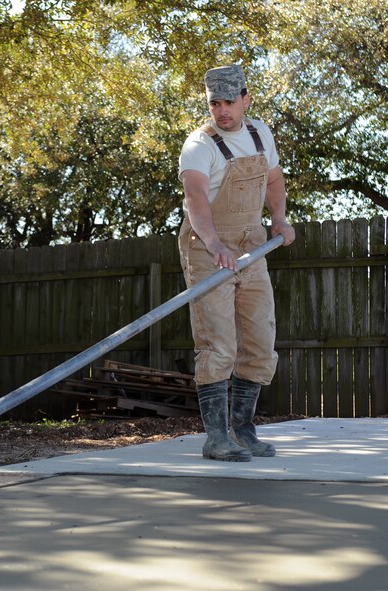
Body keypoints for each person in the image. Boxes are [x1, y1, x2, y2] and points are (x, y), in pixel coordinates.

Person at [178, 64, 295, 462]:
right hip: (208, 249)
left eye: (229, 102)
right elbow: (195, 198)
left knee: (260, 343)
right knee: (218, 345)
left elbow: (274, 180)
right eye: (215, 103)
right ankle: (216, 438)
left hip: (252, 247)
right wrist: (213, 245)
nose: (222, 110)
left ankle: (244, 430)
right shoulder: (199, 145)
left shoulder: (261, 133)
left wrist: (278, 218)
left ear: (246, 99)